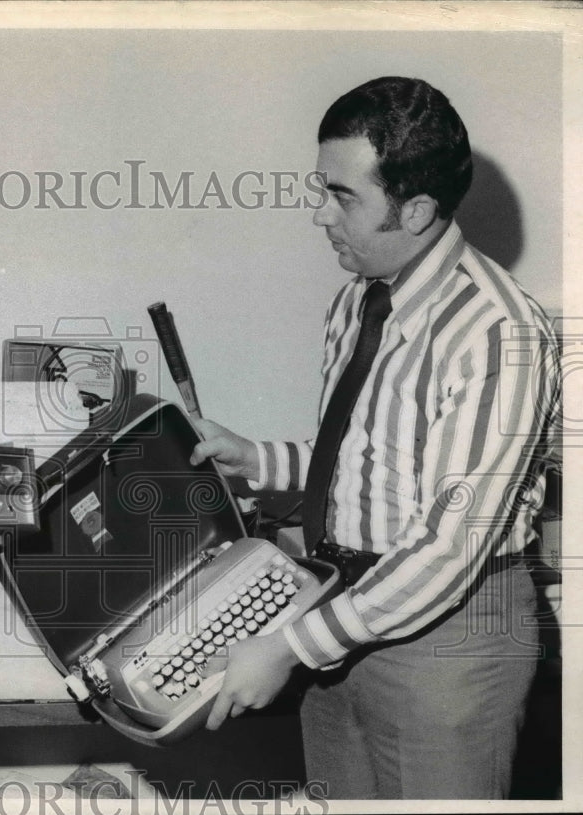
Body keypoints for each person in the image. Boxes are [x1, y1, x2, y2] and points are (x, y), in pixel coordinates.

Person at [192, 77, 561, 799]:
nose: (317, 213)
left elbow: (447, 547)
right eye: (319, 187)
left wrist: (289, 647)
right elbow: (372, 460)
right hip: (339, 607)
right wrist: (258, 457)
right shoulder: (360, 296)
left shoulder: (498, 332)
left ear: (417, 209)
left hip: (445, 639)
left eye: (342, 196)